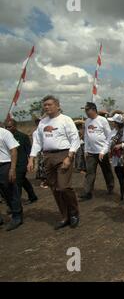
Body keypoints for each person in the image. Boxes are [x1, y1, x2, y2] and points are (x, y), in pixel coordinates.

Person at [28, 95, 81, 230]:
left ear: (57, 105)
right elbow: (38, 141)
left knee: (64, 187)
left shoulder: (65, 119)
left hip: (63, 154)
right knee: (55, 189)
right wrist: (31, 158)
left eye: (49, 104)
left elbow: (75, 139)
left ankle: (74, 213)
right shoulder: (43, 122)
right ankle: (65, 216)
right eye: (45, 105)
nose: (46, 107)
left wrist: (69, 157)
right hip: (47, 157)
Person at [80, 102, 114, 201]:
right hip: (91, 152)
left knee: (106, 171)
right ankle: (87, 192)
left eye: (88, 110)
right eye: (85, 110)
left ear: (94, 110)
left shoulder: (102, 120)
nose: (86, 112)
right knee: (90, 172)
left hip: (102, 152)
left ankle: (110, 187)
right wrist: (86, 149)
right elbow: (86, 136)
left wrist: (104, 151)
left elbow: (109, 136)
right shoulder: (87, 121)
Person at [5, 119, 39, 205]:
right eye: (6, 127)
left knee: (16, 184)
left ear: (15, 126)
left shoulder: (22, 136)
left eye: (10, 127)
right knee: (23, 180)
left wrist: (31, 162)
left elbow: (29, 151)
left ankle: (15, 205)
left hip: (21, 164)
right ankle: (32, 196)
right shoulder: (4, 137)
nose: (7, 129)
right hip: (10, 163)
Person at [0, 124, 23, 231]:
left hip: (4, 165)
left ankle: (17, 216)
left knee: (10, 192)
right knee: (3, 194)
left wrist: (12, 169)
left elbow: (14, 150)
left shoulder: (4, 133)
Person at [108, 113, 124, 201]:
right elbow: (108, 143)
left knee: (123, 176)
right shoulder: (114, 132)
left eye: (113, 122)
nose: (112, 123)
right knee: (120, 176)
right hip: (116, 157)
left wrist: (121, 145)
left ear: (117, 123)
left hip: (122, 157)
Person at [32, 117, 48, 189]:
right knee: (42, 166)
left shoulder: (46, 130)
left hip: (48, 150)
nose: (38, 123)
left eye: (39, 121)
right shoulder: (35, 133)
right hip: (41, 151)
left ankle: (48, 181)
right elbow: (35, 143)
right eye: (37, 122)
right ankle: (43, 182)